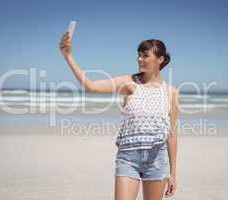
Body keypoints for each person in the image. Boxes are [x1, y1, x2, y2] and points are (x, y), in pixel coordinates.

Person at [59, 31, 179, 199]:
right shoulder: (128, 82)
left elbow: (171, 135)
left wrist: (173, 173)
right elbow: (91, 86)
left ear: (160, 60)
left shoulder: (171, 92)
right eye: (138, 55)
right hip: (128, 158)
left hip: (156, 160)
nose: (139, 59)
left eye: (145, 55)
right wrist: (68, 56)